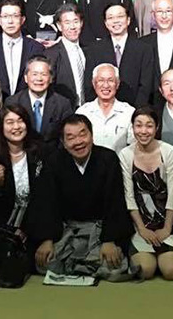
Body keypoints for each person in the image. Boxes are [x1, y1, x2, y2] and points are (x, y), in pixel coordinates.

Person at [38, 114, 135, 283]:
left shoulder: (108, 158)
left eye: (83, 134)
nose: (78, 142)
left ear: (92, 135)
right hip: (68, 229)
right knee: (44, 263)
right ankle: (85, 266)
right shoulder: (54, 161)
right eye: (71, 137)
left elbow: (115, 202)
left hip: (99, 229)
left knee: (114, 264)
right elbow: (47, 202)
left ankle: (77, 265)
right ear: (63, 142)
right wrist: (47, 239)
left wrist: (109, 240)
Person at [0, 104, 56, 275]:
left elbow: (48, 199)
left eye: (20, 121)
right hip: (3, 227)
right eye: (10, 122)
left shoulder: (41, 152)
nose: (16, 127)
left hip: (33, 225)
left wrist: (46, 238)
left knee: (40, 265)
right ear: (1, 127)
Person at [118, 106, 173, 280]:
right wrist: (141, 229)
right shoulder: (125, 154)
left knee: (171, 271)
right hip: (139, 225)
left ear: (157, 127)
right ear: (132, 127)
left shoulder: (169, 151)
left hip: (166, 222)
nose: (143, 131)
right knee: (145, 270)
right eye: (138, 125)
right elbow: (129, 196)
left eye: (149, 125)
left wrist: (167, 228)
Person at [83, 3, 155, 107]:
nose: (116, 21)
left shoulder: (144, 49)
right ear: (106, 23)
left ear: (128, 20)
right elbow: (89, 84)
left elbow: (146, 86)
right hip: (102, 110)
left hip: (135, 109)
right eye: (110, 18)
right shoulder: (94, 50)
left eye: (120, 16)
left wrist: (135, 111)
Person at [0, 0, 45, 99]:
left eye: (15, 16)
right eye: (5, 16)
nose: (10, 21)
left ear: (22, 19)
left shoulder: (37, 48)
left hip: (26, 106)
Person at [5, 55, 73, 146]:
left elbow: (67, 137)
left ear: (51, 78)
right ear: (26, 78)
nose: (39, 79)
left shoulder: (62, 104)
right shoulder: (13, 102)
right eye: (35, 74)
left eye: (44, 74)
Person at [76, 63, 135, 150]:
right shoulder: (83, 112)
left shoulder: (129, 112)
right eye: (101, 80)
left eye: (110, 80)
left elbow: (134, 147)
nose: (106, 85)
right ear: (94, 83)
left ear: (117, 84)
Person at [44, 3, 88, 108]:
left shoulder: (89, 51)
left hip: (87, 110)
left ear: (81, 23)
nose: (72, 27)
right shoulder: (51, 54)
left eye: (76, 21)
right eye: (67, 22)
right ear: (59, 26)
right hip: (63, 111)